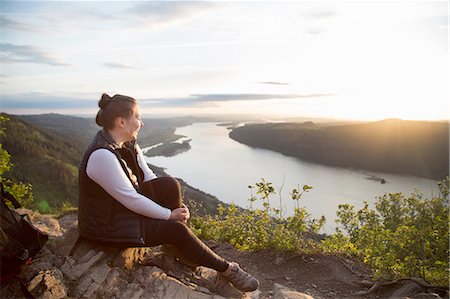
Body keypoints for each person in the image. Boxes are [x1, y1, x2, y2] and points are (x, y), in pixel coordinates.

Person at [78, 93, 259, 292]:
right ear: (121, 122)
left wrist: (176, 208)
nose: (141, 123)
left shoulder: (127, 143)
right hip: (107, 226)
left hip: (120, 210)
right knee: (176, 230)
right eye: (137, 118)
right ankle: (226, 269)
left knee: (171, 184)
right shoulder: (102, 155)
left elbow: (149, 177)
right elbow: (132, 200)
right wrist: (169, 215)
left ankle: (178, 249)